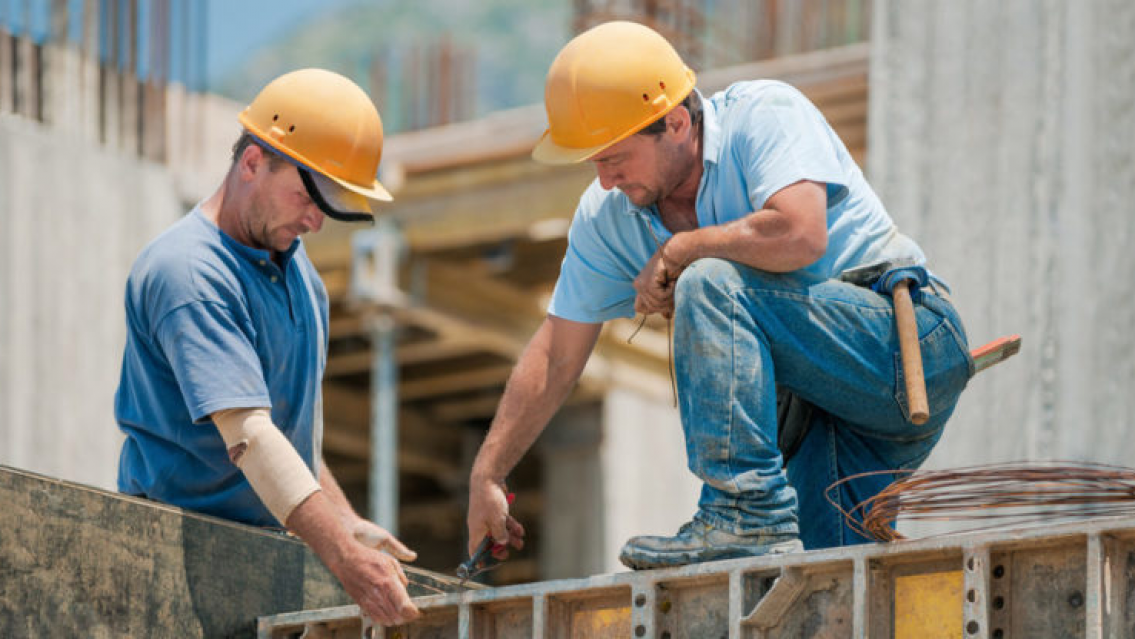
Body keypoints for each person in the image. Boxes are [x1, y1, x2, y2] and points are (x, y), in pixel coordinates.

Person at [465, 21, 974, 570]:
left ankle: (744, 513)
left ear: (676, 123)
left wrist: (685, 247)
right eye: (595, 163)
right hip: (823, 419)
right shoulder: (607, 216)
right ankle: (756, 521)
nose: (606, 180)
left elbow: (801, 233)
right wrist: (488, 472)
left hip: (904, 348)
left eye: (614, 158)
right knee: (825, 583)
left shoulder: (763, 115)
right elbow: (557, 353)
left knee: (708, 281)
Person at [115, 69, 420, 625]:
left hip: (255, 563)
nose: (316, 221)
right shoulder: (190, 273)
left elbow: (282, 435)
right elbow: (250, 436)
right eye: (307, 196)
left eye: (328, 204)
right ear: (253, 162)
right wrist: (344, 559)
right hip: (171, 565)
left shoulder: (302, 280)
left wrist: (345, 522)